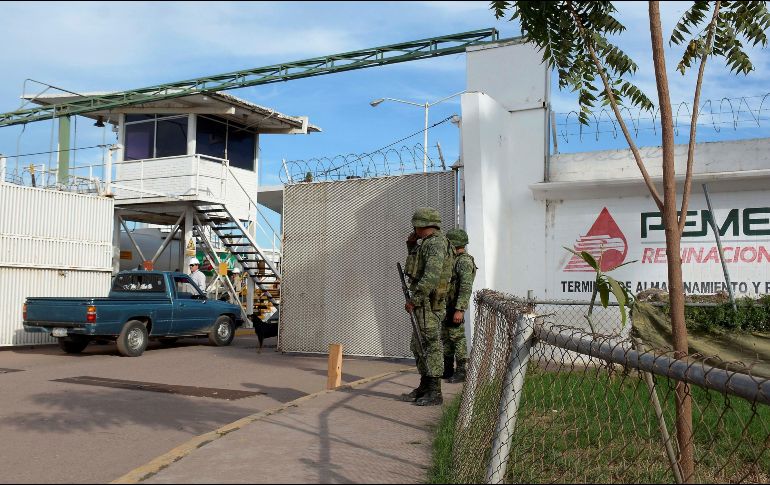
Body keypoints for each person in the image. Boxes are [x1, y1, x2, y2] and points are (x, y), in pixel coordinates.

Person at [399, 207, 455, 406]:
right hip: (423, 304)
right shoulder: (427, 244)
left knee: (430, 346)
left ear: (422, 225)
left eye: (416, 226)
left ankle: (434, 391)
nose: (414, 229)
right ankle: (425, 385)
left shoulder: (436, 244)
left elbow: (430, 277)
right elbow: (417, 268)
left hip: (429, 304)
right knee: (418, 345)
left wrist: (414, 300)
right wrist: (411, 246)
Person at [442, 228, 477, 384]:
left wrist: (460, 309)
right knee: (447, 338)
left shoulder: (464, 261)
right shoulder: (454, 259)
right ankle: (448, 369)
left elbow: (465, 286)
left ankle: (461, 371)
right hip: (448, 305)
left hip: (455, 306)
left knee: (457, 338)